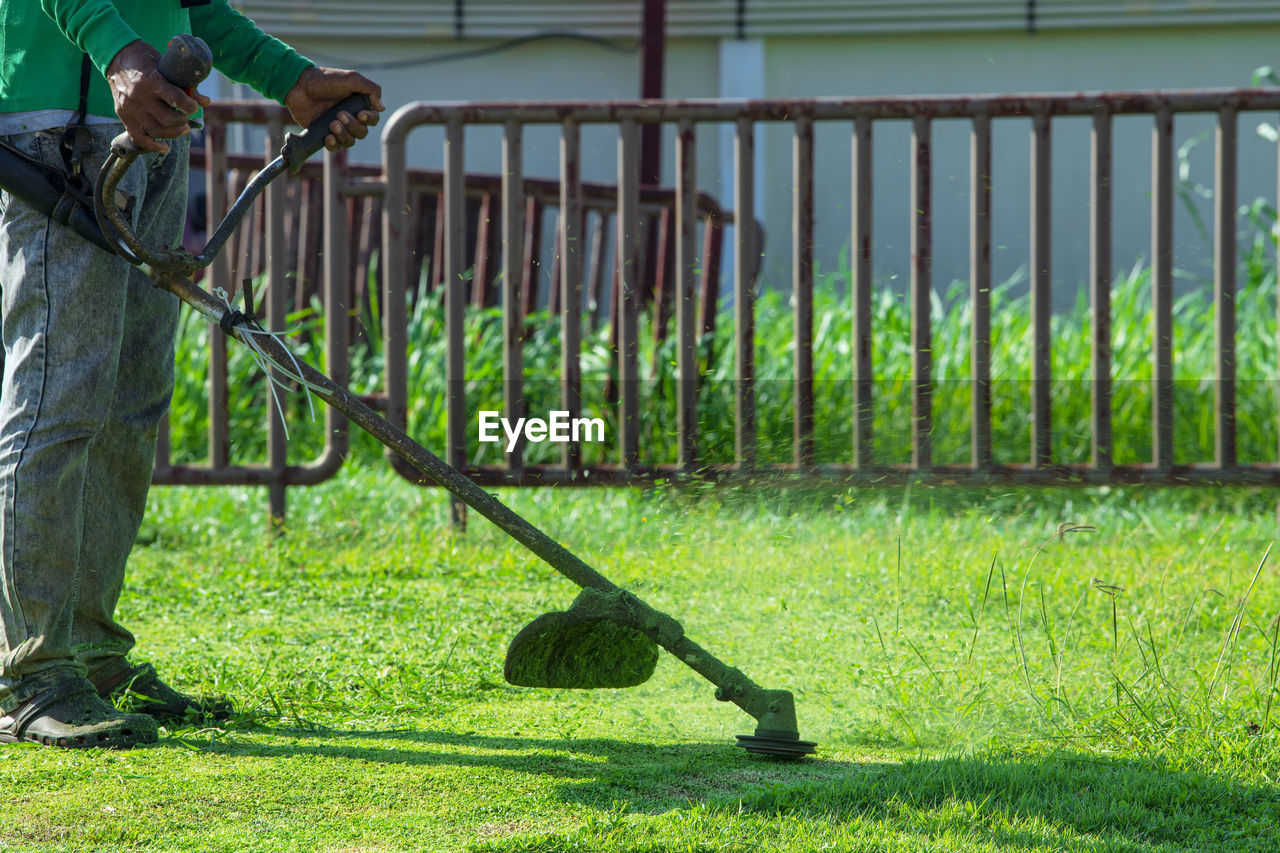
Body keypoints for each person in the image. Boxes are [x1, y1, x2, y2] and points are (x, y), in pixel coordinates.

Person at [0, 1, 384, 748]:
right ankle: (31, 674)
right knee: (57, 397)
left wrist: (290, 77)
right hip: (59, 127)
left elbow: (193, 4)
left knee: (125, 405)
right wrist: (120, 56)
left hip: (155, 130)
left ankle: (92, 655)